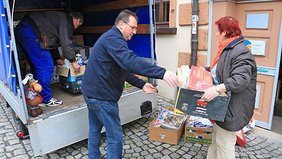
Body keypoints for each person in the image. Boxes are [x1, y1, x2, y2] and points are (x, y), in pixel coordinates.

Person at [81, 9, 178, 159]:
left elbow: (122, 68)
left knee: (95, 129)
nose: (135, 31)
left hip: (92, 92)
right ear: (120, 24)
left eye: (136, 28)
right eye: (132, 27)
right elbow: (129, 61)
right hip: (102, 97)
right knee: (115, 137)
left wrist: (141, 84)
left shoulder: (113, 39)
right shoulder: (113, 39)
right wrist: (163, 73)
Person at [201, 16, 257, 159]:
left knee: (225, 144)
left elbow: (241, 79)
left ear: (225, 32)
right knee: (216, 140)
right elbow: (220, 70)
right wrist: (201, 70)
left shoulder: (241, 51)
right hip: (222, 106)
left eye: (217, 31)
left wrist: (217, 89)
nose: (215, 34)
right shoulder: (228, 48)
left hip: (232, 107)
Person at [15, 11, 83, 107]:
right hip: (30, 32)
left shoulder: (57, 20)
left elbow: (52, 41)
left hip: (23, 30)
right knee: (46, 65)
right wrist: (73, 61)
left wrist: (57, 58)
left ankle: (36, 94)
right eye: (78, 25)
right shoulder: (66, 21)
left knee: (37, 65)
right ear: (77, 21)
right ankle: (46, 99)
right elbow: (66, 42)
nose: (76, 28)